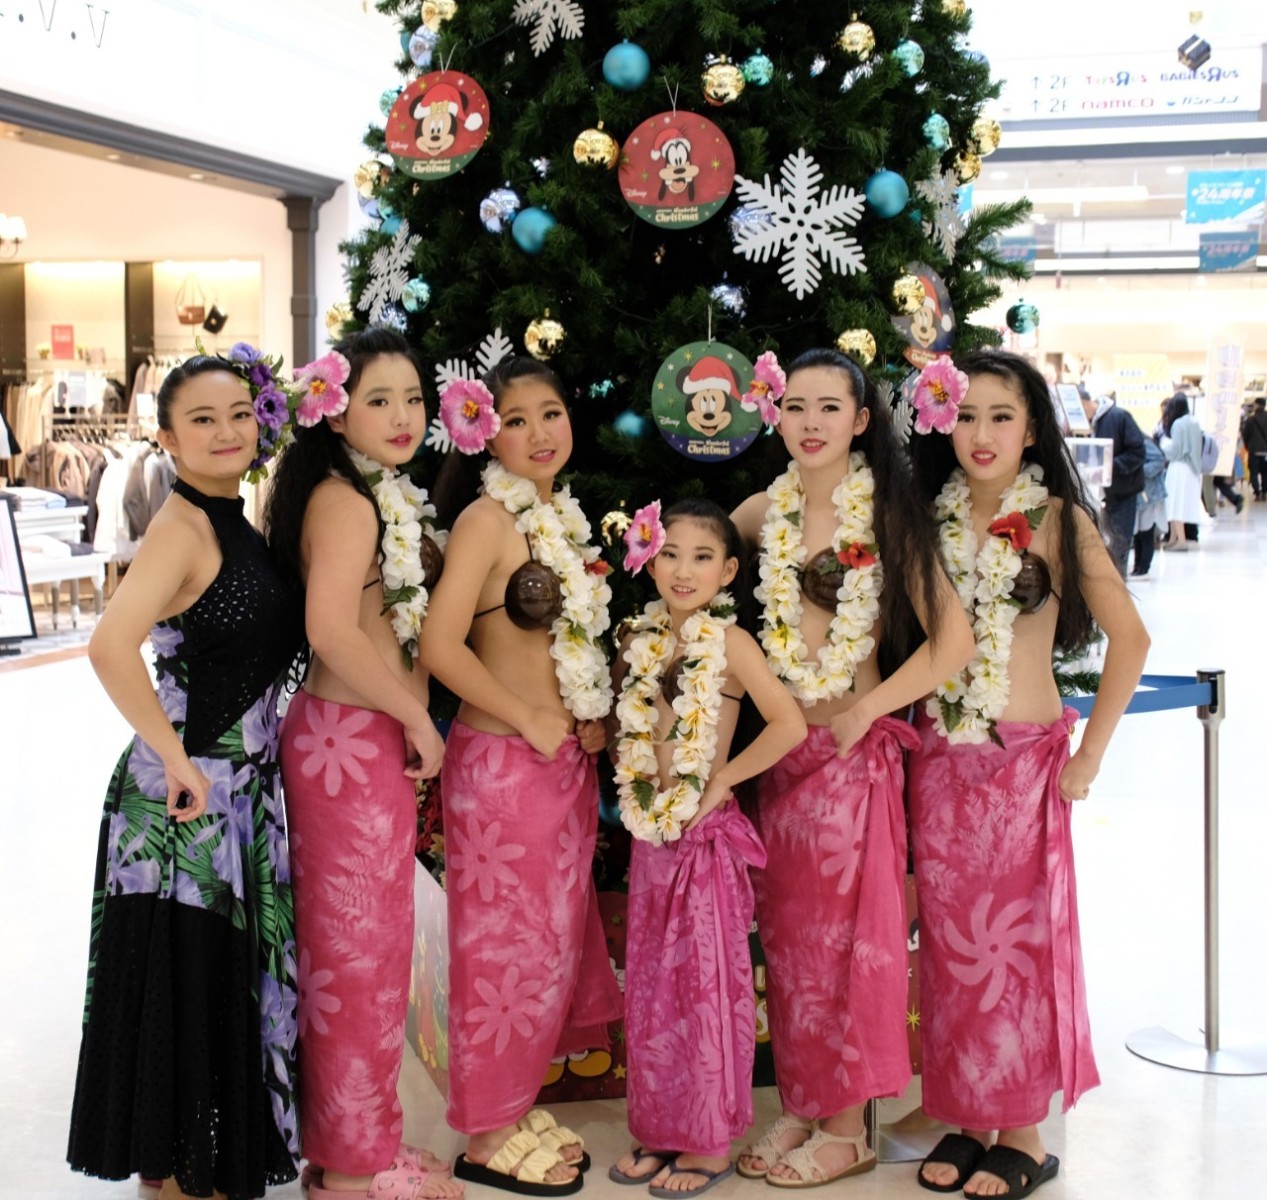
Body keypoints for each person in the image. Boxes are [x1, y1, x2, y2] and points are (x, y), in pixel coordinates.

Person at [729, 349, 975, 1188]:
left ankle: (847, 1127)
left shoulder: (885, 519)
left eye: (829, 407)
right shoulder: (760, 513)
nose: (810, 423)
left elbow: (953, 641)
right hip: (781, 762)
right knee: (791, 946)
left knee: (846, 950)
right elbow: (690, 581)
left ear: (860, 420)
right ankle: (802, 1104)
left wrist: (869, 710)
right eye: (795, 406)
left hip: (847, 760)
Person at [907, 349, 1149, 1199]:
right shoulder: (924, 520)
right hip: (941, 761)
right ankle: (965, 1115)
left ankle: (1021, 1130)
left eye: (1000, 416)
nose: (981, 433)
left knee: (1012, 949)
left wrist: (1089, 756)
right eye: (965, 415)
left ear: (1032, 428)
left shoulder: (1056, 520)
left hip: (1020, 769)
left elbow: (1132, 639)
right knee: (951, 949)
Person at [68, 350, 304, 1200]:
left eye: (239, 413)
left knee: (209, 990)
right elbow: (108, 646)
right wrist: (174, 759)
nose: (226, 431)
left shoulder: (230, 516)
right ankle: (171, 1182)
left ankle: (190, 1173)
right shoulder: (180, 528)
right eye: (202, 419)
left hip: (234, 791)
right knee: (187, 991)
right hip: (188, 803)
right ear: (166, 438)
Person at [420, 358, 623, 1196]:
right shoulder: (485, 521)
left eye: (551, 412)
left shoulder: (558, 520)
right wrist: (527, 715)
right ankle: (484, 1132)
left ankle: (510, 1104)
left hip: (559, 769)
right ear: (483, 433)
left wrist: (587, 713)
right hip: (502, 771)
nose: (539, 433)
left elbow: (563, 651)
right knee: (500, 957)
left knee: (545, 950)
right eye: (515, 419)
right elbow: (440, 645)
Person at [265, 327, 460, 1200]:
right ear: (336, 412)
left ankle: (357, 1143)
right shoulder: (347, 503)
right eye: (378, 399)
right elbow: (331, 631)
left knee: (366, 956)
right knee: (355, 961)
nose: (402, 415)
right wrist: (415, 712)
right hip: (349, 745)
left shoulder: (367, 490)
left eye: (413, 398)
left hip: (350, 742)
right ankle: (350, 1170)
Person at [607, 499, 807, 1197]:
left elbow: (787, 724)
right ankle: (660, 1129)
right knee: (653, 992)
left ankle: (706, 1141)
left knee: (703, 990)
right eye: (669, 554)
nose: (682, 570)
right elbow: (630, 729)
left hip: (701, 843)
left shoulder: (730, 643)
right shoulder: (639, 638)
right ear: (648, 559)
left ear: (727, 571)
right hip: (651, 839)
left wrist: (724, 779)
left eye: (701, 557)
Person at [1078, 387, 1144, 578]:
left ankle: (1118, 589)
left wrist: (1109, 466)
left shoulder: (1119, 417)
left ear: (1084, 403)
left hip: (1121, 493)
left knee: (1118, 546)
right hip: (1092, 495)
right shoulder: (1080, 427)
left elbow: (1138, 452)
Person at [1158, 393, 1203, 551]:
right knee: (1181, 503)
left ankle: (1181, 541)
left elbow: (1176, 450)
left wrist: (1162, 449)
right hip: (1192, 469)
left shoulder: (1178, 424)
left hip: (1179, 467)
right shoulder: (1194, 422)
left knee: (1175, 503)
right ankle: (1173, 539)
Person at [1131, 435, 1167, 580]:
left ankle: (1143, 568)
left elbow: (1159, 461)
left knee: (1145, 531)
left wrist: (1139, 471)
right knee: (1138, 532)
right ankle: (1138, 567)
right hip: (1139, 494)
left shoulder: (1144, 442)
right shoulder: (1136, 441)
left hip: (1149, 494)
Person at [1241, 397, 1267, 500]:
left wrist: (1248, 446)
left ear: (1256, 405)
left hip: (1254, 450)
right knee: (1265, 472)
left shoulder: (1250, 419)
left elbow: (1245, 435)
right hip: (1266, 451)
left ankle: (1257, 493)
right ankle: (1265, 492)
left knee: (1254, 472)